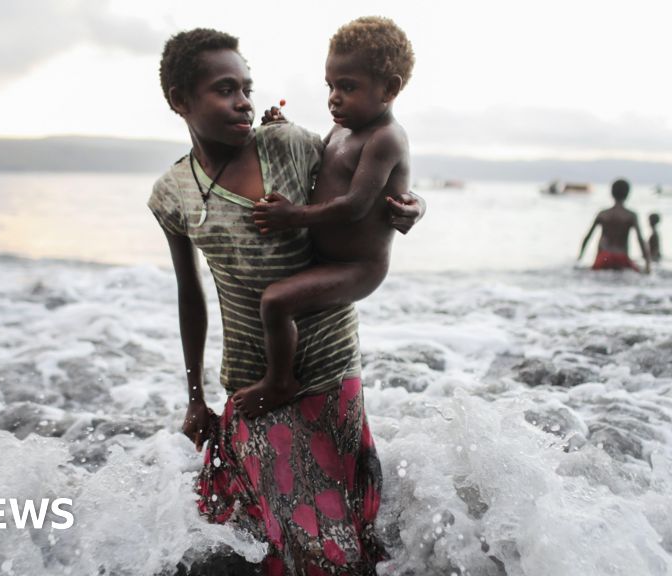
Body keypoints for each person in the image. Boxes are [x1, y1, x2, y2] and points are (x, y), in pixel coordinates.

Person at [147, 28, 423, 575]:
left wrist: (412, 205)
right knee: (251, 540)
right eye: (224, 90)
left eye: (246, 87)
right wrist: (195, 397)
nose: (243, 101)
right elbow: (190, 296)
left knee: (336, 542)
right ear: (180, 100)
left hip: (325, 371)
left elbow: (363, 187)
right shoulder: (172, 193)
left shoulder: (290, 145)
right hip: (251, 384)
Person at [231, 17, 414, 420]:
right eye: (330, 86)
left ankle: (281, 382)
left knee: (276, 302)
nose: (334, 98)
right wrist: (286, 130)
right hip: (326, 257)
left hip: (357, 266)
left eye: (348, 87)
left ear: (390, 88)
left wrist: (292, 216)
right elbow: (317, 158)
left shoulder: (385, 138)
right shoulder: (341, 129)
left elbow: (356, 205)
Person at [577, 178, 651, 273]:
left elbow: (588, 237)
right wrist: (648, 264)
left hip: (604, 257)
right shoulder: (631, 215)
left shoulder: (602, 214)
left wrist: (580, 257)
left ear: (611, 193)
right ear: (628, 194)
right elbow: (640, 240)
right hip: (622, 258)